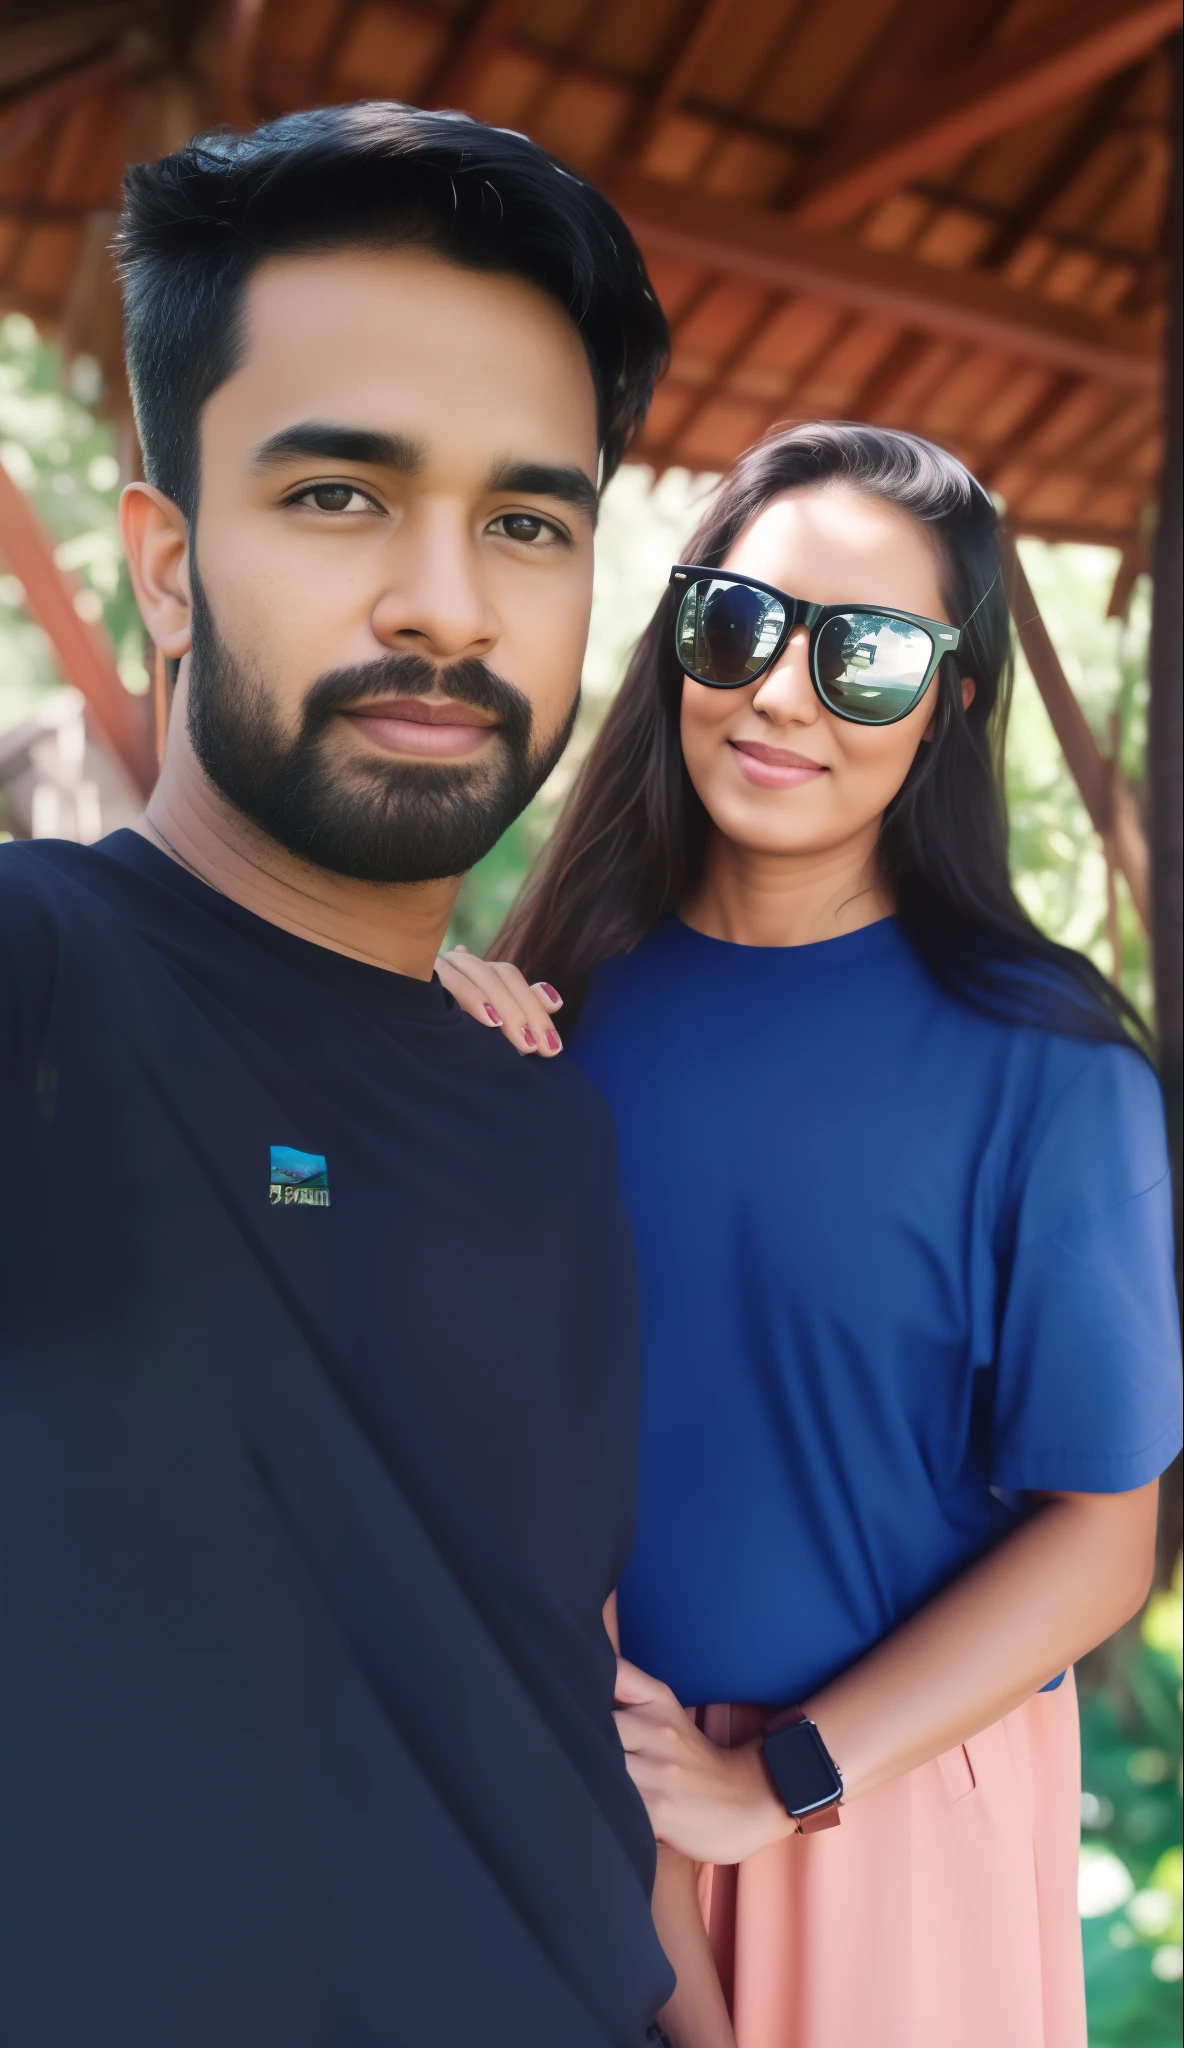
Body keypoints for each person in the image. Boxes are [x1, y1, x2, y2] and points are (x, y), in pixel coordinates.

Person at [0, 102, 694, 2047]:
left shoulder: (544, 1106)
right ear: (161, 563)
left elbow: (538, 1655)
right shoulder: (48, 985)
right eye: (335, 494)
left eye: (528, 521)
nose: (449, 604)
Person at [439, 423, 1183, 2048]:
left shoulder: (1048, 1071)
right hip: (563, 1806)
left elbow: (1102, 1541)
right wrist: (415, 1056)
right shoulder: (549, 1018)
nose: (780, 691)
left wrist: (776, 1782)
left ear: (954, 701)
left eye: (864, 656)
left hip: (878, 1816)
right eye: (739, 624)